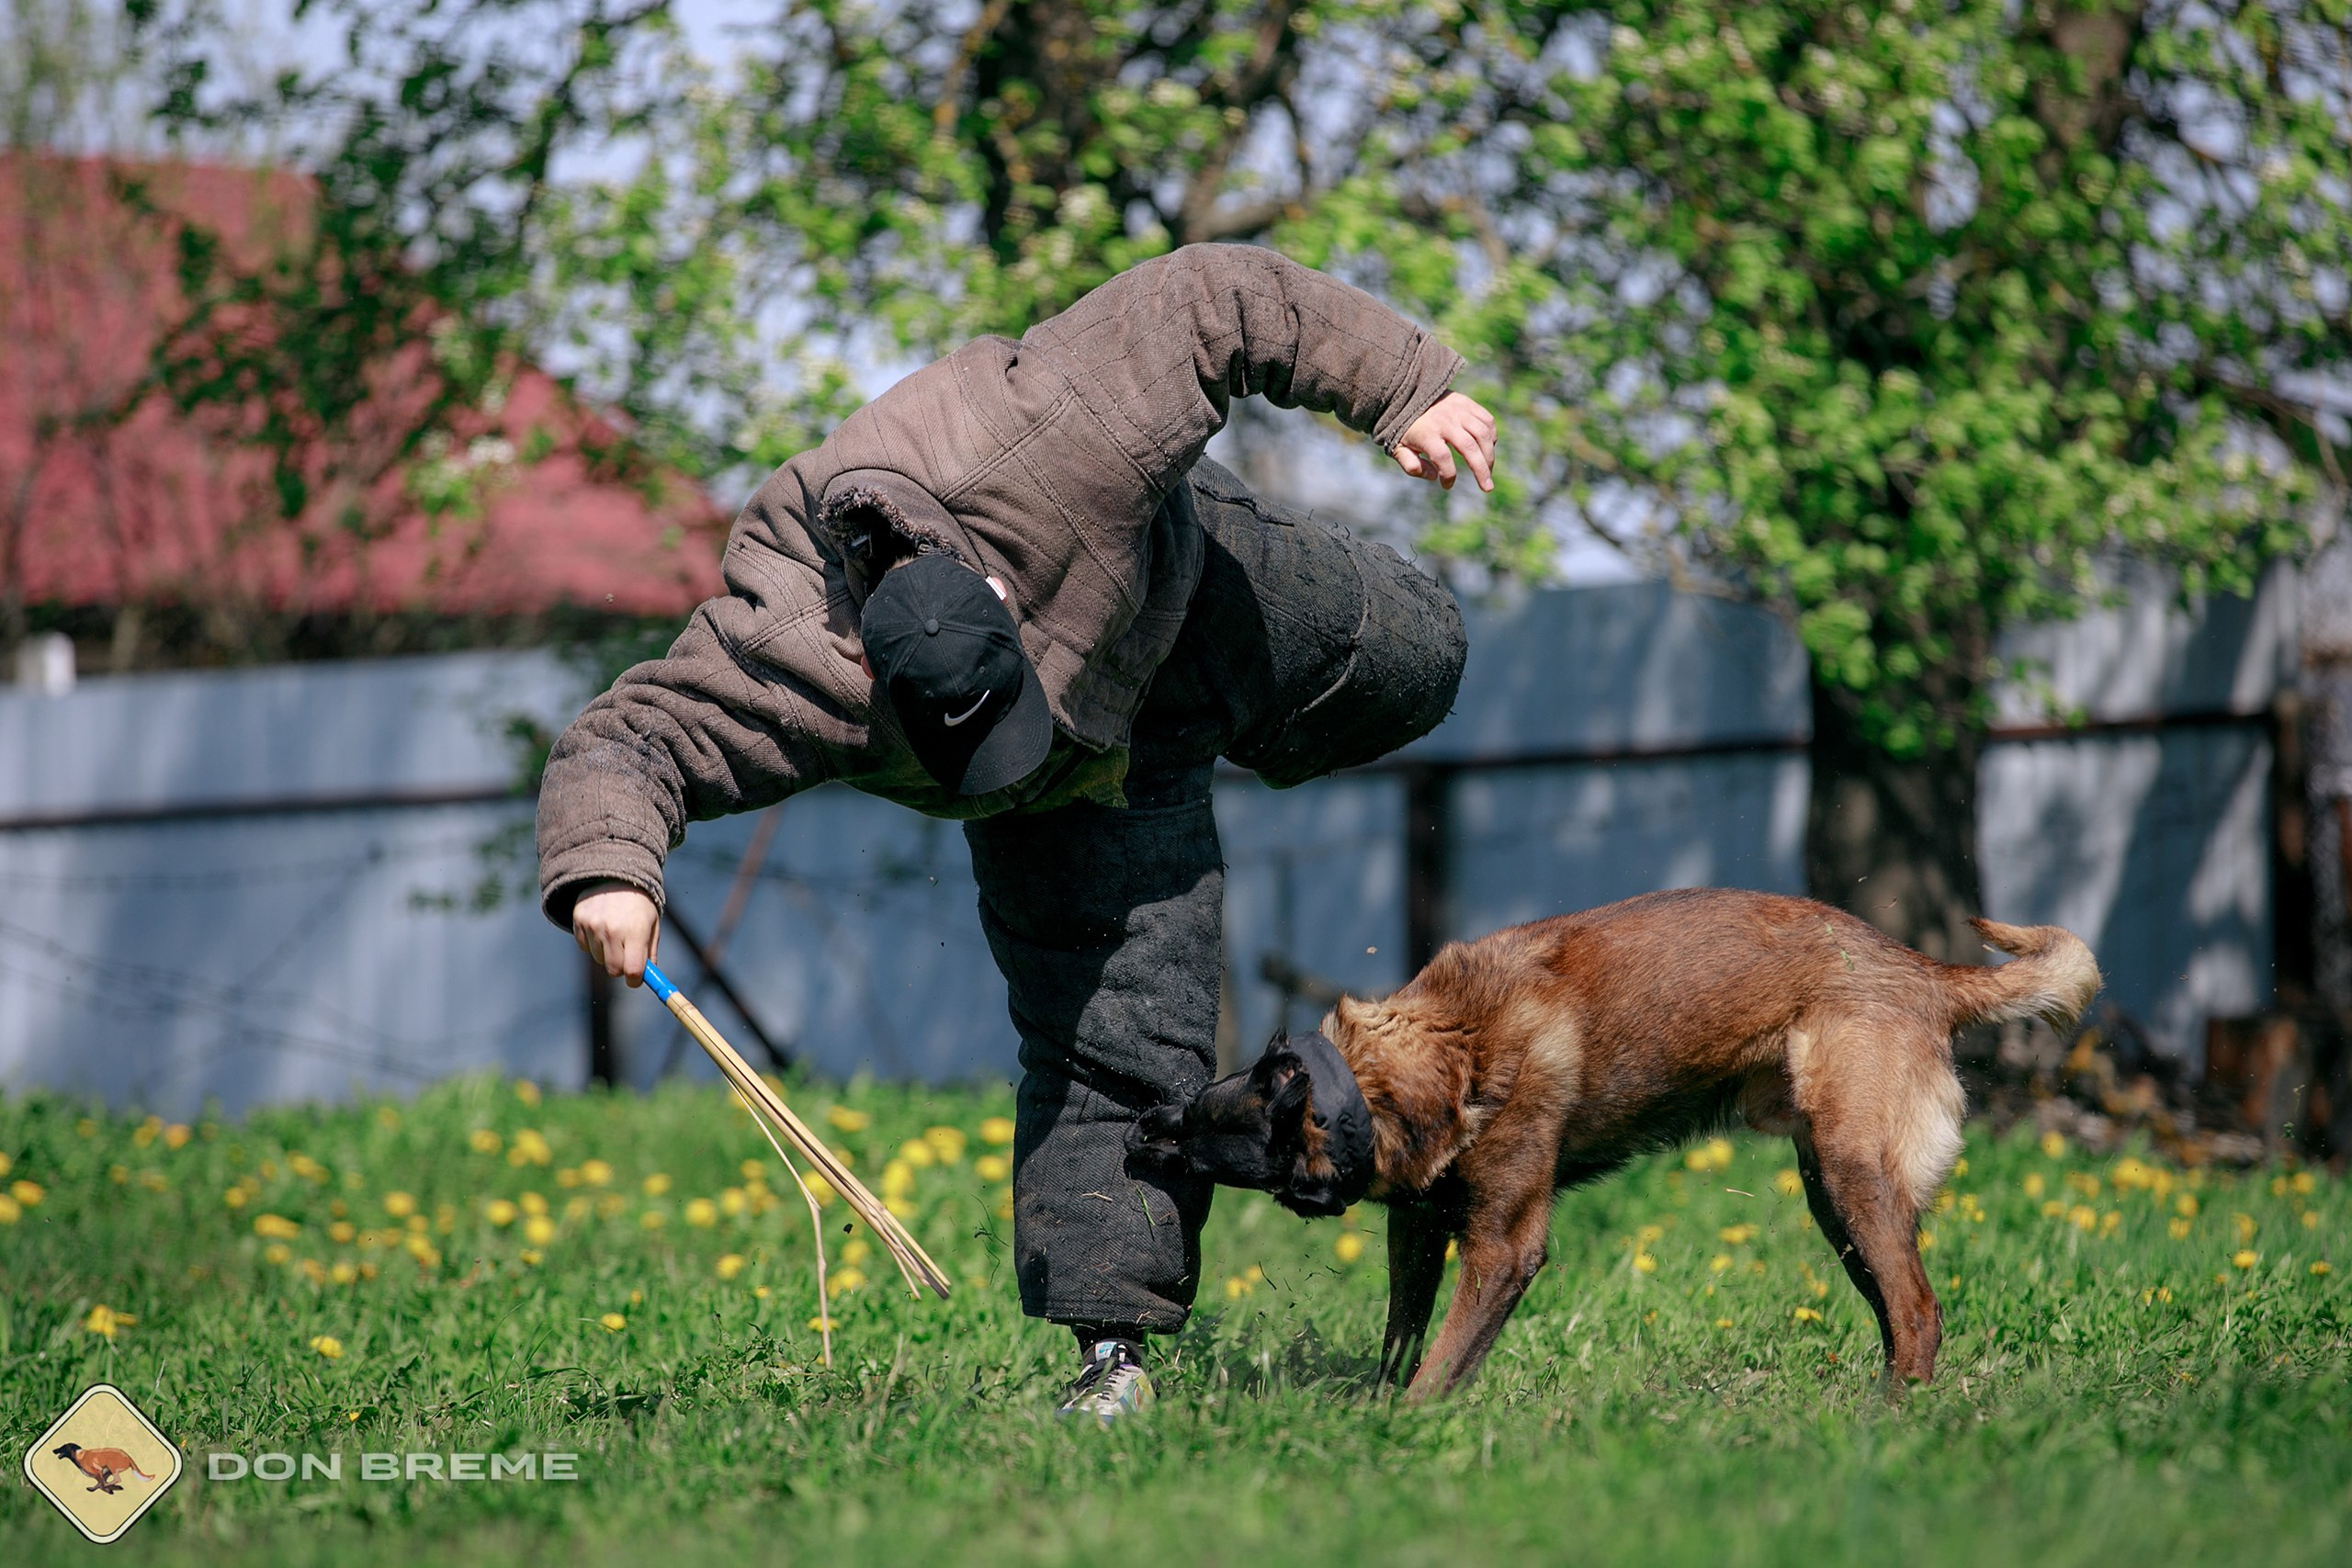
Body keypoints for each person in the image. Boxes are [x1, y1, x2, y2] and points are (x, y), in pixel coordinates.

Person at [536, 243, 1498, 1421]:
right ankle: (1113, 1357)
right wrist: (606, 873)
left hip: (1183, 601)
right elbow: (629, 735)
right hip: (1074, 801)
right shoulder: (788, 651)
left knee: (1420, 655)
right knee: (1118, 1049)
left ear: (997, 598)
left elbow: (1217, 296)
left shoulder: (1053, 429)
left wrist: (1406, 386)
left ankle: (1260, 726)